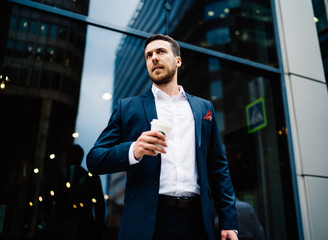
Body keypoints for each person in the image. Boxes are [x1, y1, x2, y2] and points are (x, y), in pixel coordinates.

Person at [86, 34, 238, 240]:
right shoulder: (128, 107)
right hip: (147, 221)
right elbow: (95, 159)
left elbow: (218, 167)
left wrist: (229, 222)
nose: (154, 58)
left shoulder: (203, 108)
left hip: (196, 220)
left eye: (160, 52)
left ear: (178, 61)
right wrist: (133, 150)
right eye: (148, 55)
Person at [53, 144, 105, 240]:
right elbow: (100, 207)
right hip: (85, 227)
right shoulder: (91, 178)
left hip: (62, 226)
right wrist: (98, 230)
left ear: (68, 157)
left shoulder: (60, 177)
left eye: (64, 156)